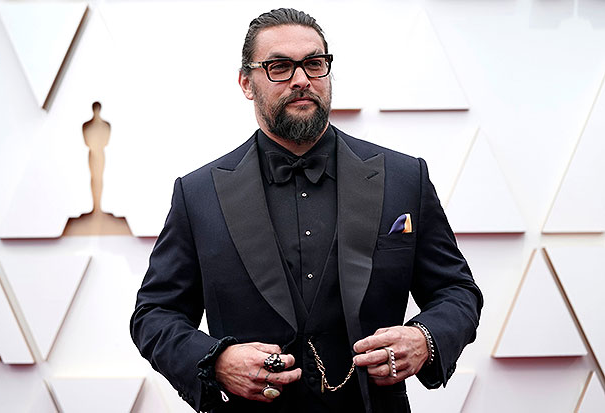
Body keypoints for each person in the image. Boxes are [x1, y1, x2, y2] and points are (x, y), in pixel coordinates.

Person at [131, 8, 483, 413]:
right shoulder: (198, 194)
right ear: (246, 83)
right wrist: (217, 362)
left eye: (314, 64)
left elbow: (457, 292)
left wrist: (425, 338)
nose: (301, 80)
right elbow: (154, 315)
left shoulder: (405, 178)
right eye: (280, 67)